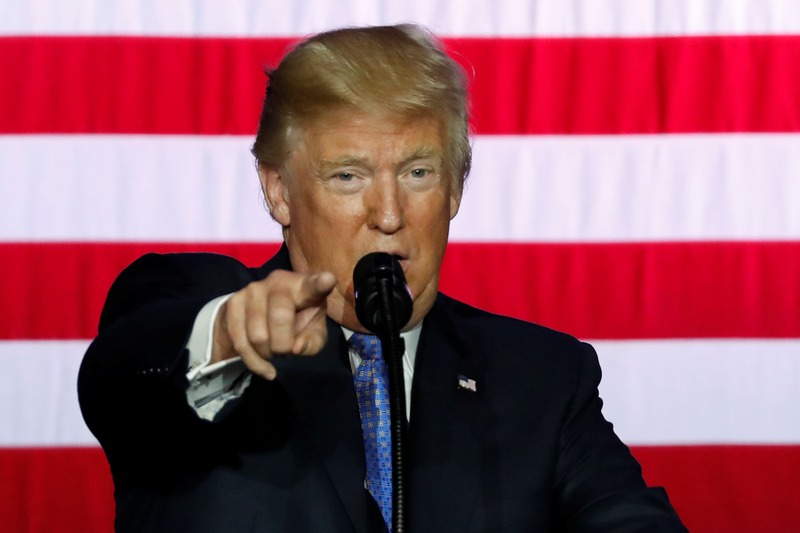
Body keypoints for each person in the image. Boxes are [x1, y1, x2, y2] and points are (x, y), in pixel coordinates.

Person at [78, 24, 687, 532]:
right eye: (348, 176)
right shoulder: (192, 304)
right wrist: (225, 338)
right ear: (278, 190)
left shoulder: (542, 377)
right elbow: (120, 378)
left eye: (419, 172)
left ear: (455, 188)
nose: (389, 215)